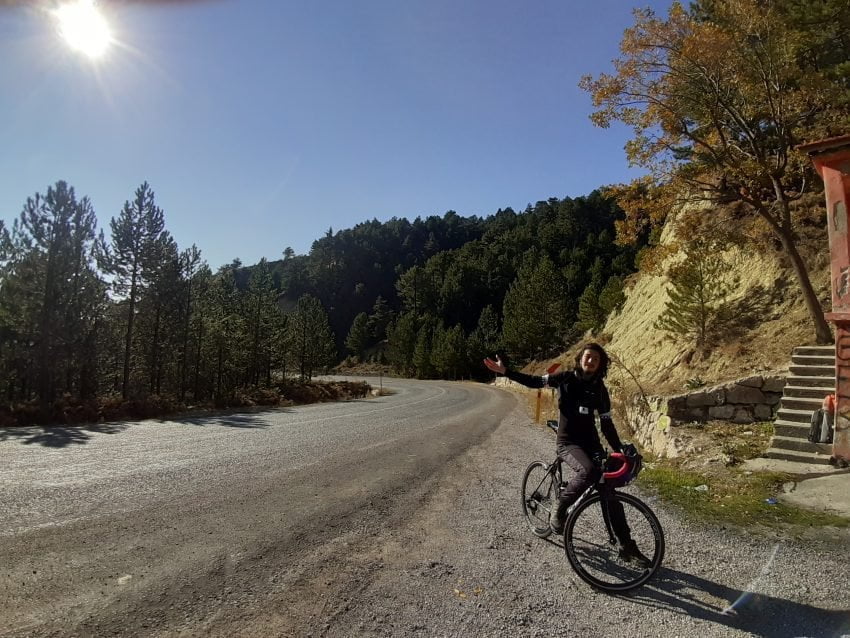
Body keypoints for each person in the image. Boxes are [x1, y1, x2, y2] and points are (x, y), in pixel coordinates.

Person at [484, 342, 649, 567]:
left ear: (600, 365)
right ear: (581, 358)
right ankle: (559, 507)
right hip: (568, 442)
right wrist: (507, 372)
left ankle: (627, 546)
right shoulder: (565, 378)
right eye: (588, 356)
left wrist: (619, 449)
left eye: (596, 359)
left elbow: (607, 424)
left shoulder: (600, 389)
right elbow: (534, 382)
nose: (590, 361)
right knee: (589, 471)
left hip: (592, 444)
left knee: (609, 492)